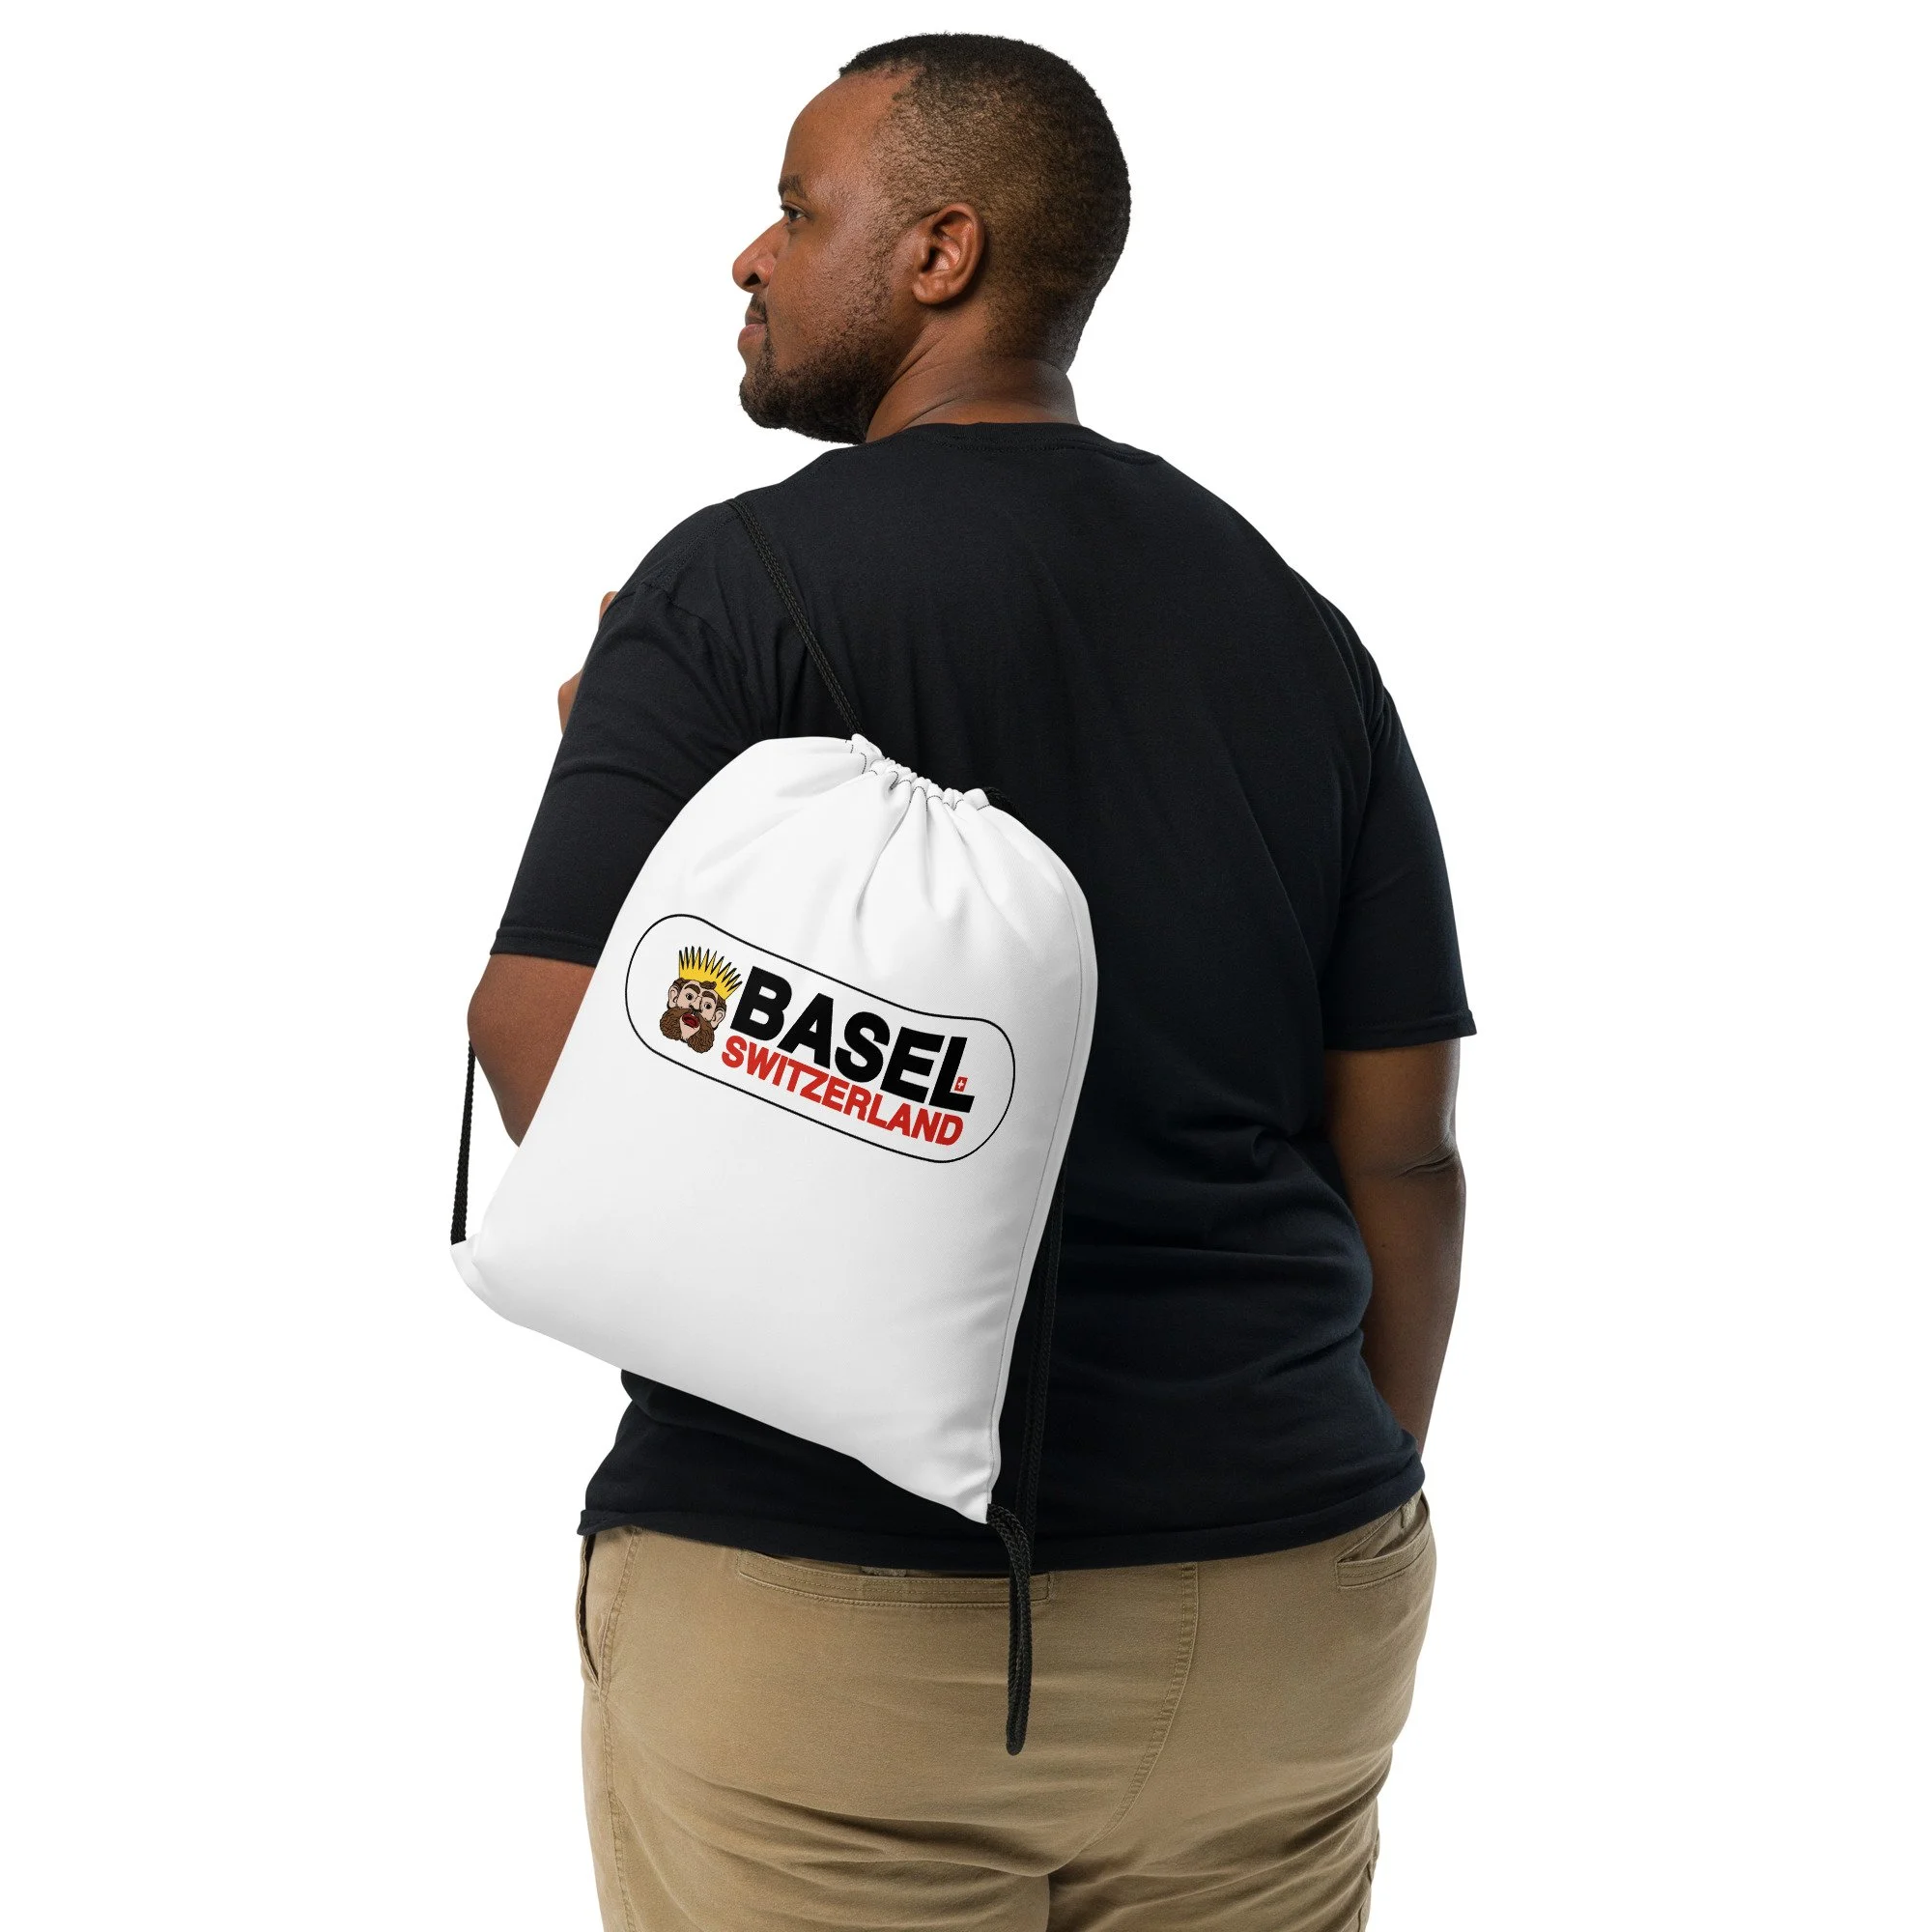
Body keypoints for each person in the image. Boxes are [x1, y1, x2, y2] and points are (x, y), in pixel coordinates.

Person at [467, 32, 1471, 1932]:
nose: (750, 256)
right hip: (1285, 1623)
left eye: (795, 209)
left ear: (940, 253)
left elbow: (544, 1053)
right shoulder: (1296, 628)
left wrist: (637, 803)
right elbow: (1403, 1154)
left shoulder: (737, 587)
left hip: (833, 1638)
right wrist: (1305, 1503)